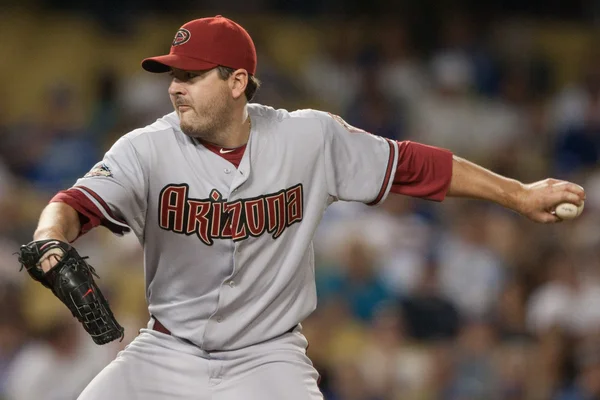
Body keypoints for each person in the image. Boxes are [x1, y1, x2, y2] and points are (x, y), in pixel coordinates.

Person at [26, 15, 585, 400]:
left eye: (192, 75)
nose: (176, 87)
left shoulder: (307, 138)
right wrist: (52, 239)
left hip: (267, 357)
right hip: (167, 352)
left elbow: (414, 166)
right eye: (175, 74)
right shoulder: (147, 147)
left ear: (238, 80)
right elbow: (73, 205)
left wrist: (518, 193)